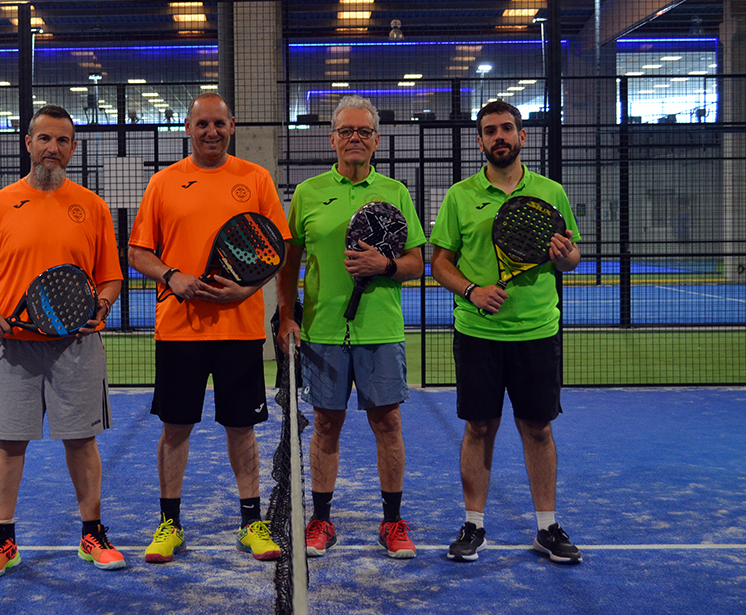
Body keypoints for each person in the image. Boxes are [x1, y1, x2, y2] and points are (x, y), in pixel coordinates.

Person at [0, 104, 126, 578]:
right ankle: (3, 540)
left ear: (72, 148)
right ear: (28, 143)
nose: (53, 147)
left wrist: (102, 305)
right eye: (45, 138)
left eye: (63, 140)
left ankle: (92, 534)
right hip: (13, 346)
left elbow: (110, 277)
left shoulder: (92, 206)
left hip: (76, 346)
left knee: (82, 440)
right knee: (9, 442)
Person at [127, 92, 289, 564]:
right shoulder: (163, 183)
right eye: (202, 124)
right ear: (187, 128)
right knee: (176, 427)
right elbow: (137, 252)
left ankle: (251, 523)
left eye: (219, 123)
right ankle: (169, 524)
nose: (211, 132)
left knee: (242, 427)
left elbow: (276, 250)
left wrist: (246, 290)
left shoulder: (255, 178)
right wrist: (171, 275)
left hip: (239, 329)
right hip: (179, 330)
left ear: (232, 126)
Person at [429, 100, 582, 564]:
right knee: (479, 426)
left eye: (507, 128)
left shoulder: (551, 192)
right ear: (480, 141)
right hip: (478, 333)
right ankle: (473, 525)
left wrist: (565, 256)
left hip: (537, 330)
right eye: (491, 130)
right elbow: (440, 262)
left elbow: (573, 257)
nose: (500, 136)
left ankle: (547, 528)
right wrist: (472, 290)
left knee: (538, 428)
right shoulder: (460, 196)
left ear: (522, 136)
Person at [276, 95, 426, 559]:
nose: (355, 138)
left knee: (388, 423)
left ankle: (392, 522)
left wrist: (385, 266)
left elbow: (417, 263)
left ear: (376, 140)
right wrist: (286, 315)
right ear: (332, 140)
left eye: (363, 131)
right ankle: (321, 520)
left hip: (381, 330)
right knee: (325, 424)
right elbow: (288, 264)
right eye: (346, 131)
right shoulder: (308, 192)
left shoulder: (396, 192)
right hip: (322, 331)